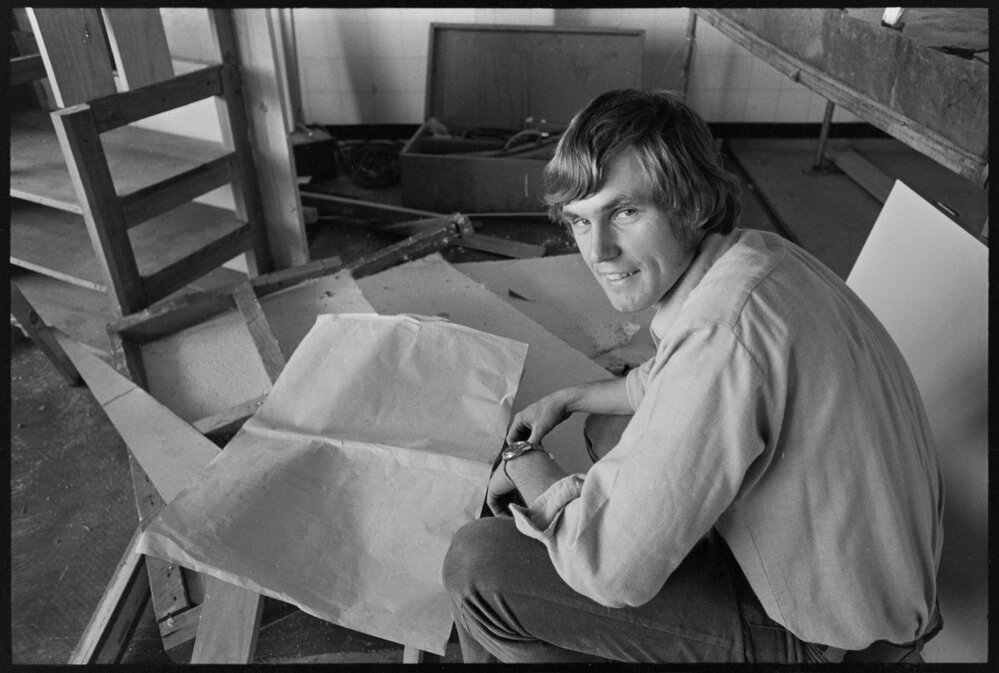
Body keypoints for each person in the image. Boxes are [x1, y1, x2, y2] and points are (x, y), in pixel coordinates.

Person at [441, 89, 944, 663]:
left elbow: (608, 568)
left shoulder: (721, 334)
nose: (599, 250)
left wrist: (526, 465)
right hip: (877, 594)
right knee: (609, 432)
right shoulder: (761, 258)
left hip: (827, 644)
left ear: (692, 203)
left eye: (626, 212)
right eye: (580, 221)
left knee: (477, 564)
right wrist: (572, 396)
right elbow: (675, 377)